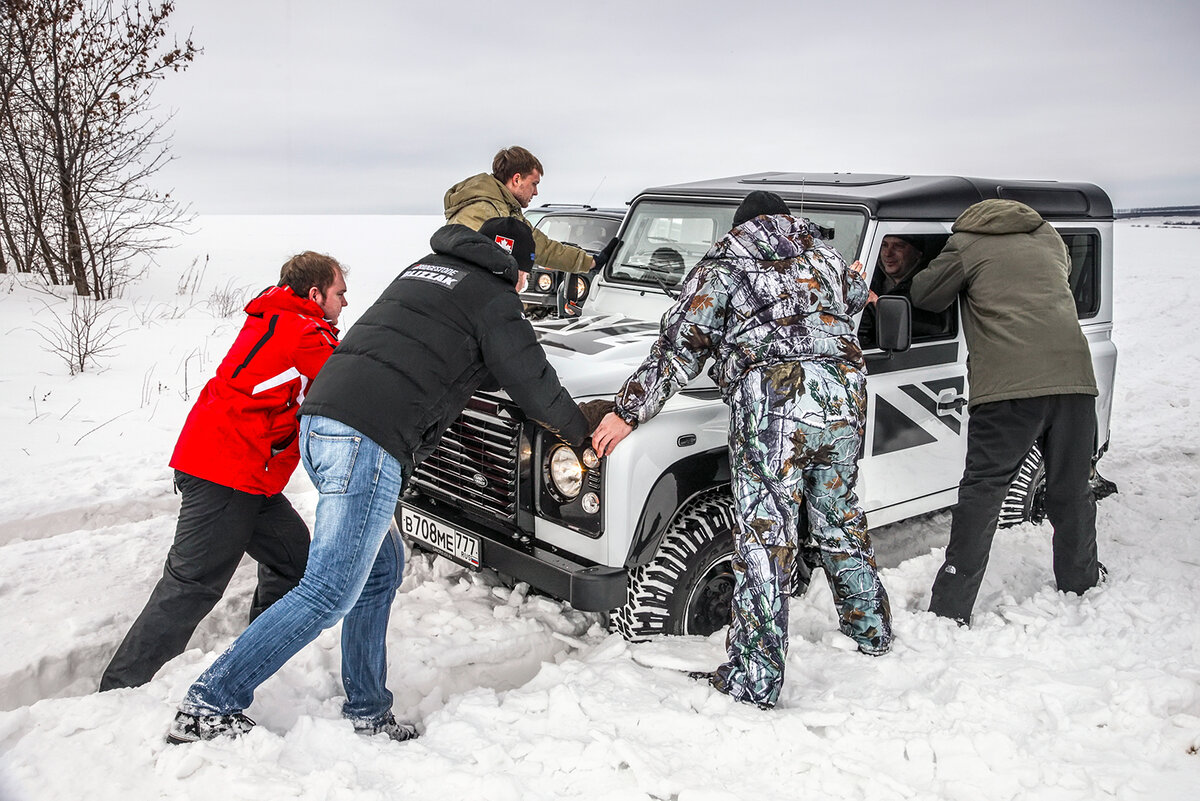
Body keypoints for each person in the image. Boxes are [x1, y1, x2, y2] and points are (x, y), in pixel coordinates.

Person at [166, 218, 611, 744]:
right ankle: (210, 701)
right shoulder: (493, 295)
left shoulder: (425, 271)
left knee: (380, 571)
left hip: (322, 422)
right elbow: (532, 381)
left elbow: (443, 353)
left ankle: (368, 709)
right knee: (329, 591)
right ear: (518, 268)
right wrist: (582, 431)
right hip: (365, 441)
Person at [592, 191, 893, 709]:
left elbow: (681, 344)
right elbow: (854, 294)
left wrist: (627, 410)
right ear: (785, 218)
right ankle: (872, 632)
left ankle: (755, 679)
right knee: (841, 520)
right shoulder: (826, 257)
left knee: (765, 539)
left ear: (741, 224)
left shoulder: (728, 262)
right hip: (843, 398)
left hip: (776, 403)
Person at [99, 252, 347, 691]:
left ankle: (258, 653)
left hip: (251, 475)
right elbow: (353, 382)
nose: (344, 303)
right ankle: (120, 690)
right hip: (226, 472)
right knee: (191, 586)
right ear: (315, 294)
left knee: (293, 561)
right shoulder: (301, 331)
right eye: (339, 293)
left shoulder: (282, 316)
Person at [909, 198, 1102, 625]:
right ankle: (1081, 579)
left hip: (1008, 388)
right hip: (1075, 377)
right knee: (1071, 489)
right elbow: (1059, 278)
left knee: (983, 491)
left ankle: (951, 606)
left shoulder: (965, 243)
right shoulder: (1048, 235)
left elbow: (926, 296)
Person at [443, 145, 617, 275]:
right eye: (534, 184)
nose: (536, 192)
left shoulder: (505, 209)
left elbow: (541, 247)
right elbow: (467, 263)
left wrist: (591, 261)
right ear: (517, 179)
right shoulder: (483, 210)